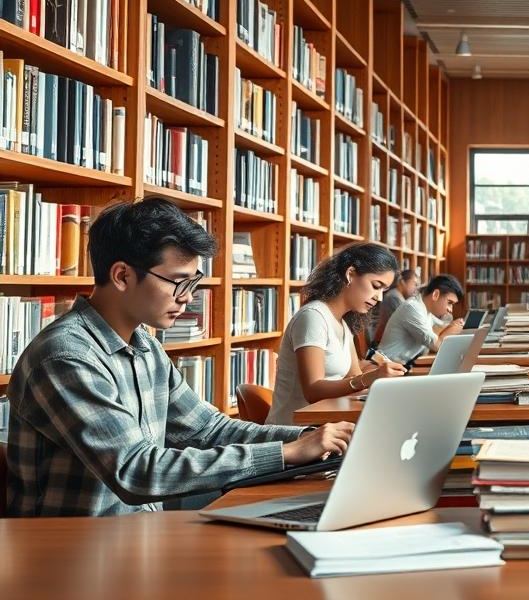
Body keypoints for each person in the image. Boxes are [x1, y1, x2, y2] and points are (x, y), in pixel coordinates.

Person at [4, 198, 354, 517]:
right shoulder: (66, 357)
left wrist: (308, 437)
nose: (188, 298)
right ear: (122, 276)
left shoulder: (144, 344)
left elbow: (207, 429)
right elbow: (136, 471)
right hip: (69, 554)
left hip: (138, 536)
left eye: (193, 282)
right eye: (178, 282)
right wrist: (286, 453)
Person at [267, 244, 407, 425]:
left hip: (324, 425)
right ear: (350, 274)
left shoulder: (342, 324)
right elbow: (313, 390)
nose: (379, 298)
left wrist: (384, 382)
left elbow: (354, 377)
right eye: (375, 286)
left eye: (383, 291)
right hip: (294, 431)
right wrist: (371, 377)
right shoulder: (313, 317)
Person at [376, 274, 467, 364]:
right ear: (435, 295)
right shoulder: (413, 308)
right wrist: (453, 328)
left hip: (399, 367)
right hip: (383, 368)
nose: (450, 309)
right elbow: (438, 345)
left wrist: (453, 326)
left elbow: (441, 327)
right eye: (449, 302)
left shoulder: (426, 311)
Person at [370, 268, 418, 345]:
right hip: (382, 344)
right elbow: (408, 323)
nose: (415, 288)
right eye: (414, 284)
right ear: (402, 282)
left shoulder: (398, 296)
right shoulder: (393, 297)